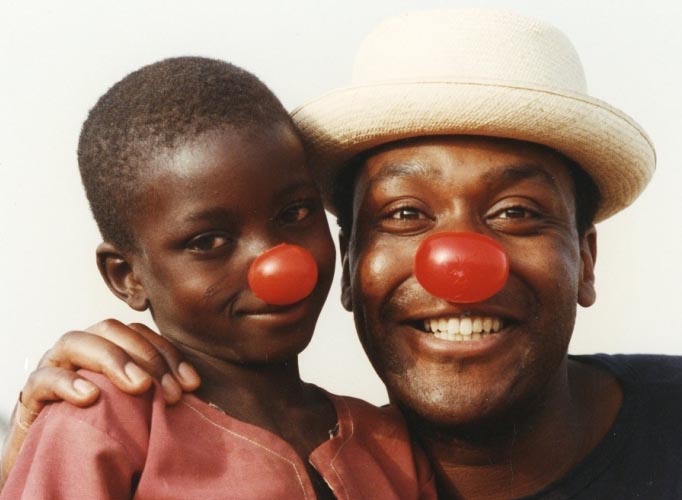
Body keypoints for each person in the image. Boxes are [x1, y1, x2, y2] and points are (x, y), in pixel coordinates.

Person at [4, 9, 678, 499]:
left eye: (516, 212)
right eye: (405, 213)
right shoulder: (110, 419)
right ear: (351, 259)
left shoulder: (379, 452)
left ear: (586, 259)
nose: (458, 265)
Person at [0, 56, 435, 499]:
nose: (275, 264)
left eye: (295, 213)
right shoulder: (99, 420)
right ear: (127, 276)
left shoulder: (388, 445)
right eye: (208, 241)